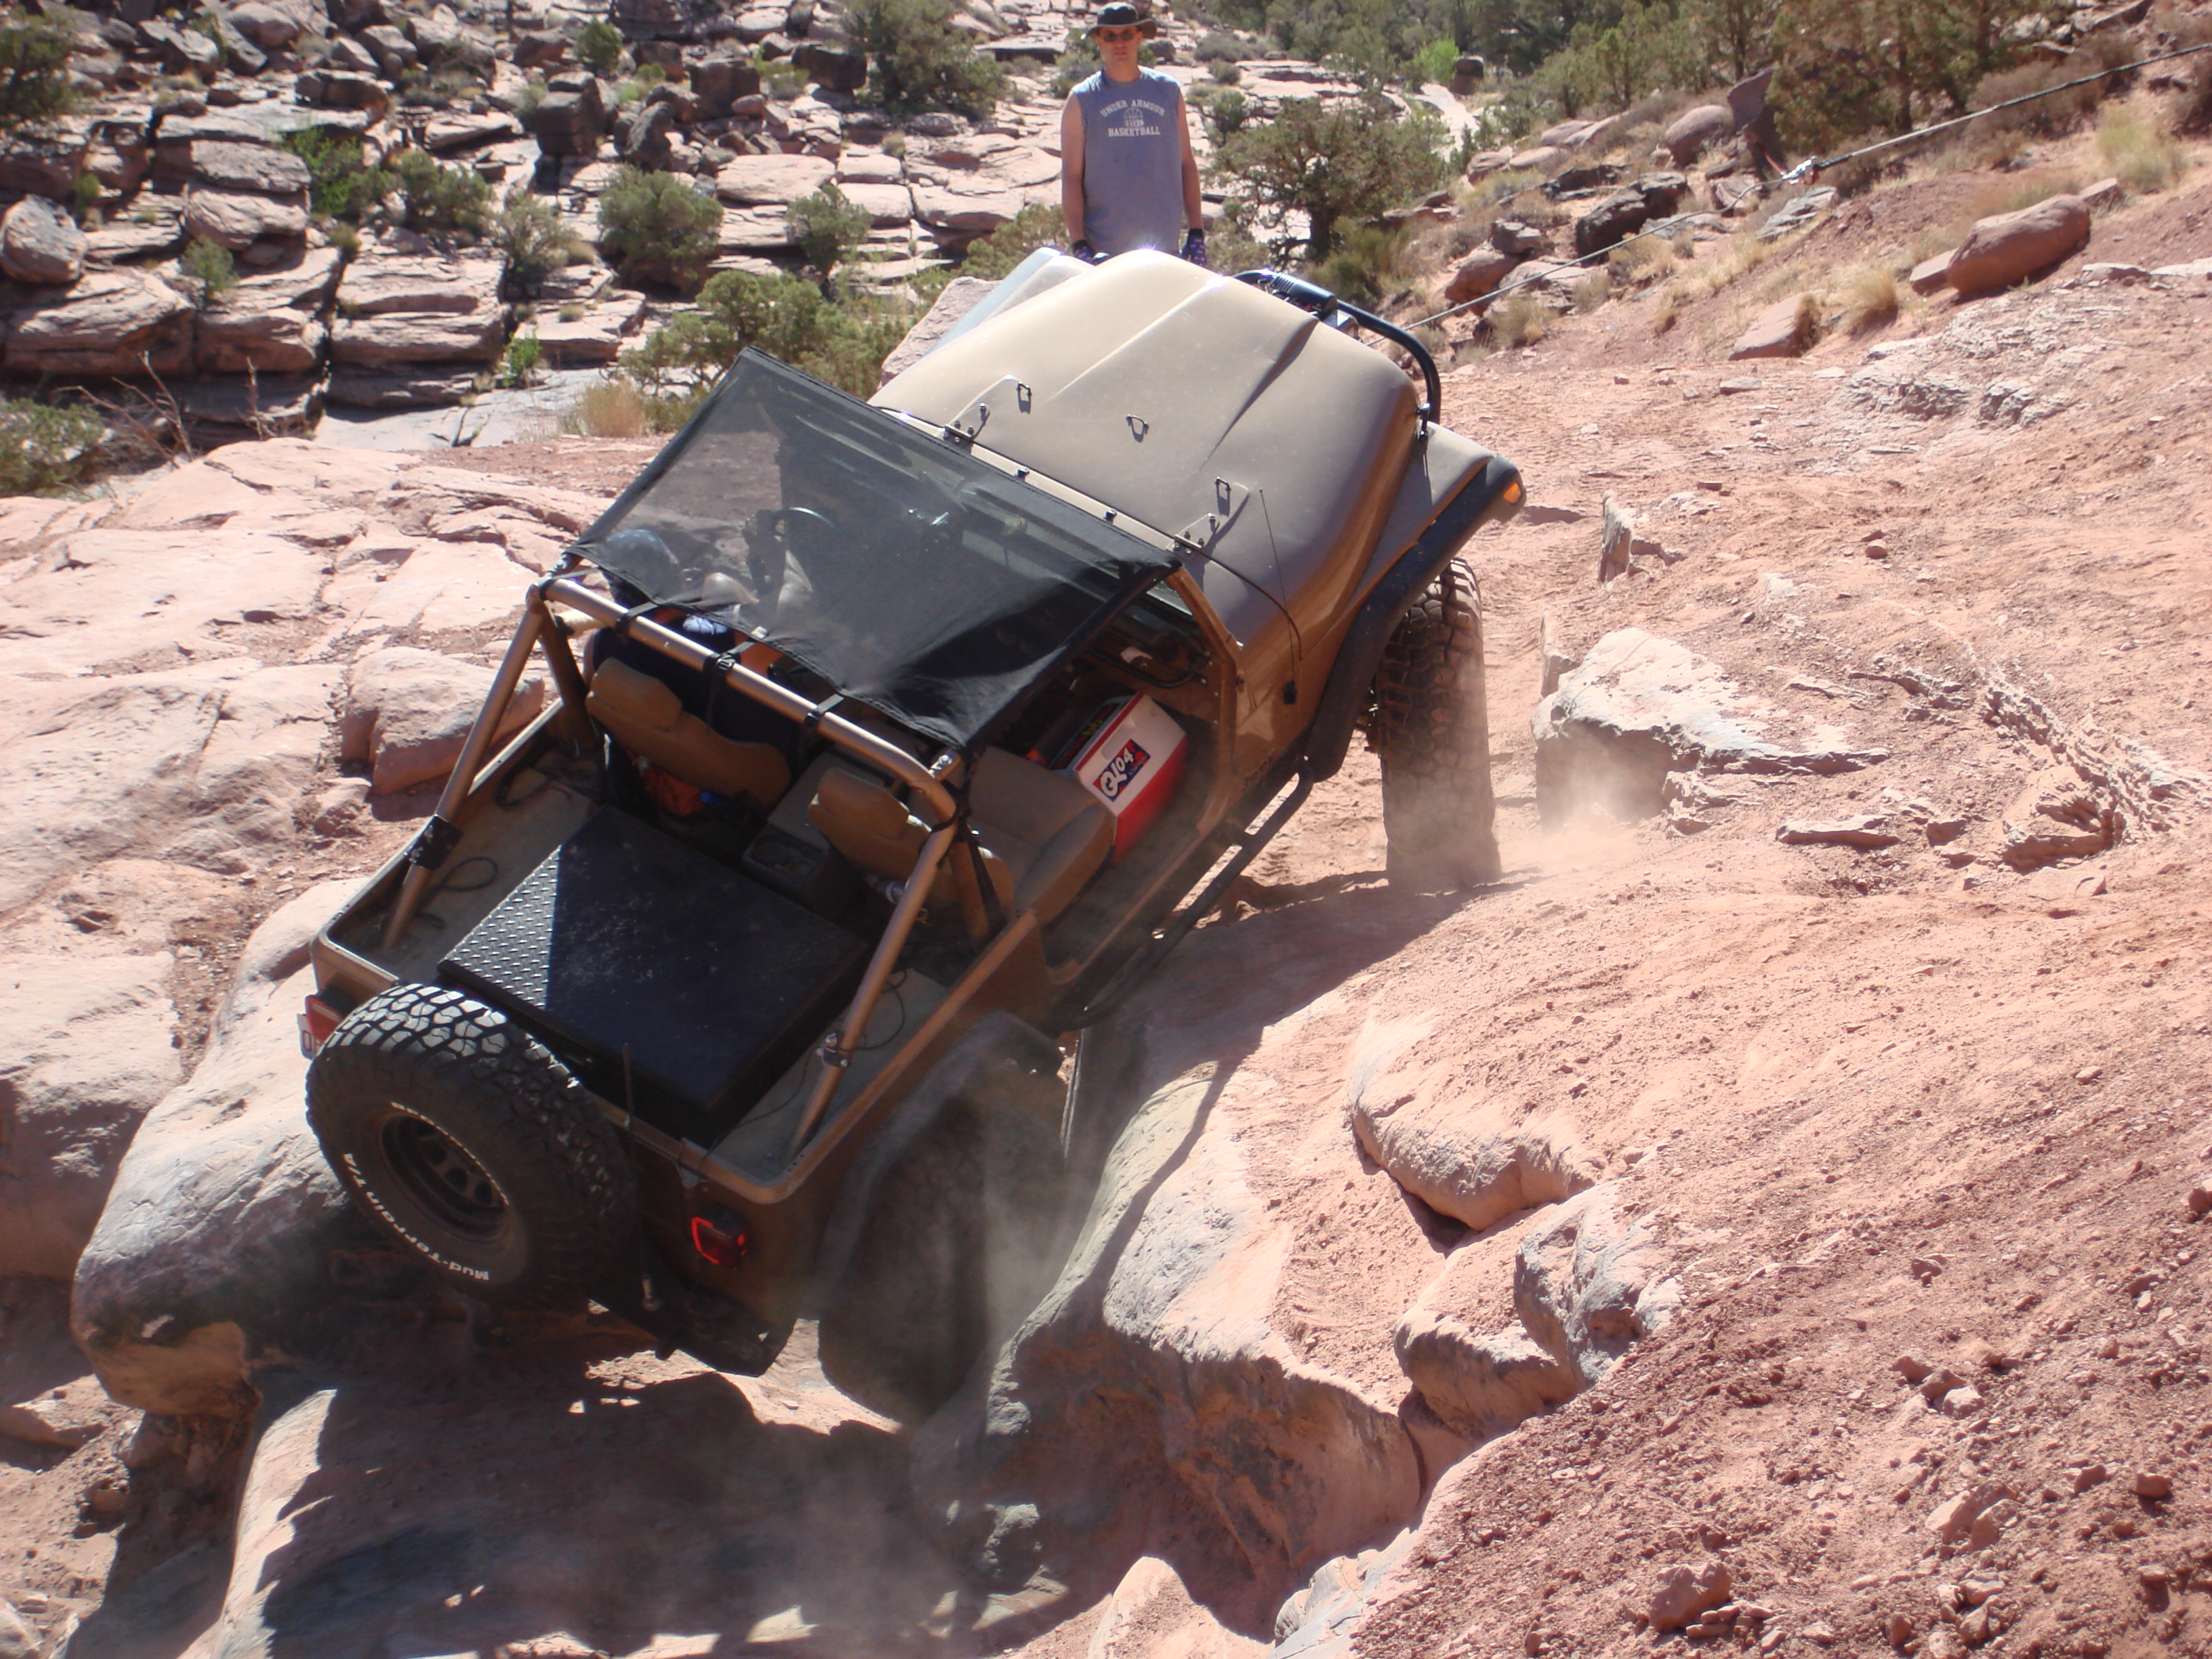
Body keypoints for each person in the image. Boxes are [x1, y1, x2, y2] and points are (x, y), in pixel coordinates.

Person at [1059, 2, 1206, 266]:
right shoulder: (1082, 99)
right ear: (1098, 41)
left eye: (1127, 35)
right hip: (1104, 253)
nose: (1120, 43)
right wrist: (1079, 244)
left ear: (1139, 37)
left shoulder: (1168, 92)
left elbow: (1186, 163)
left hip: (1164, 249)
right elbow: (1071, 177)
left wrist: (1196, 230)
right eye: (1110, 36)